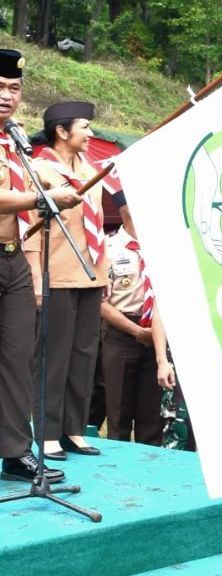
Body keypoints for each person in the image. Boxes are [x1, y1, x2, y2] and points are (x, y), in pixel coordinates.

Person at [0, 49, 78, 483]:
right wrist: (41, 198)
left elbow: (30, 179)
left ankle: (14, 451)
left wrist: (49, 180)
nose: (6, 96)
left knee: (17, 359)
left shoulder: (13, 140)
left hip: (12, 261)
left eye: (13, 88)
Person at [26, 100, 108, 461]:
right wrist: (35, 280)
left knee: (84, 355)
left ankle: (75, 429)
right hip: (56, 273)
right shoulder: (39, 169)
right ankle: (46, 433)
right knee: (53, 357)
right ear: (62, 131)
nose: (91, 133)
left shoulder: (91, 169)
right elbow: (29, 226)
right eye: (85, 126)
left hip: (91, 273)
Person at [99, 190, 162, 445]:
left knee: (153, 417)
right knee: (119, 414)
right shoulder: (109, 247)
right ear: (126, 211)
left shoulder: (161, 249)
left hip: (157, 334)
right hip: (121, 334)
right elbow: (100, 303)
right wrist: (136, 332)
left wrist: (154, 335)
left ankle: (153, 474)